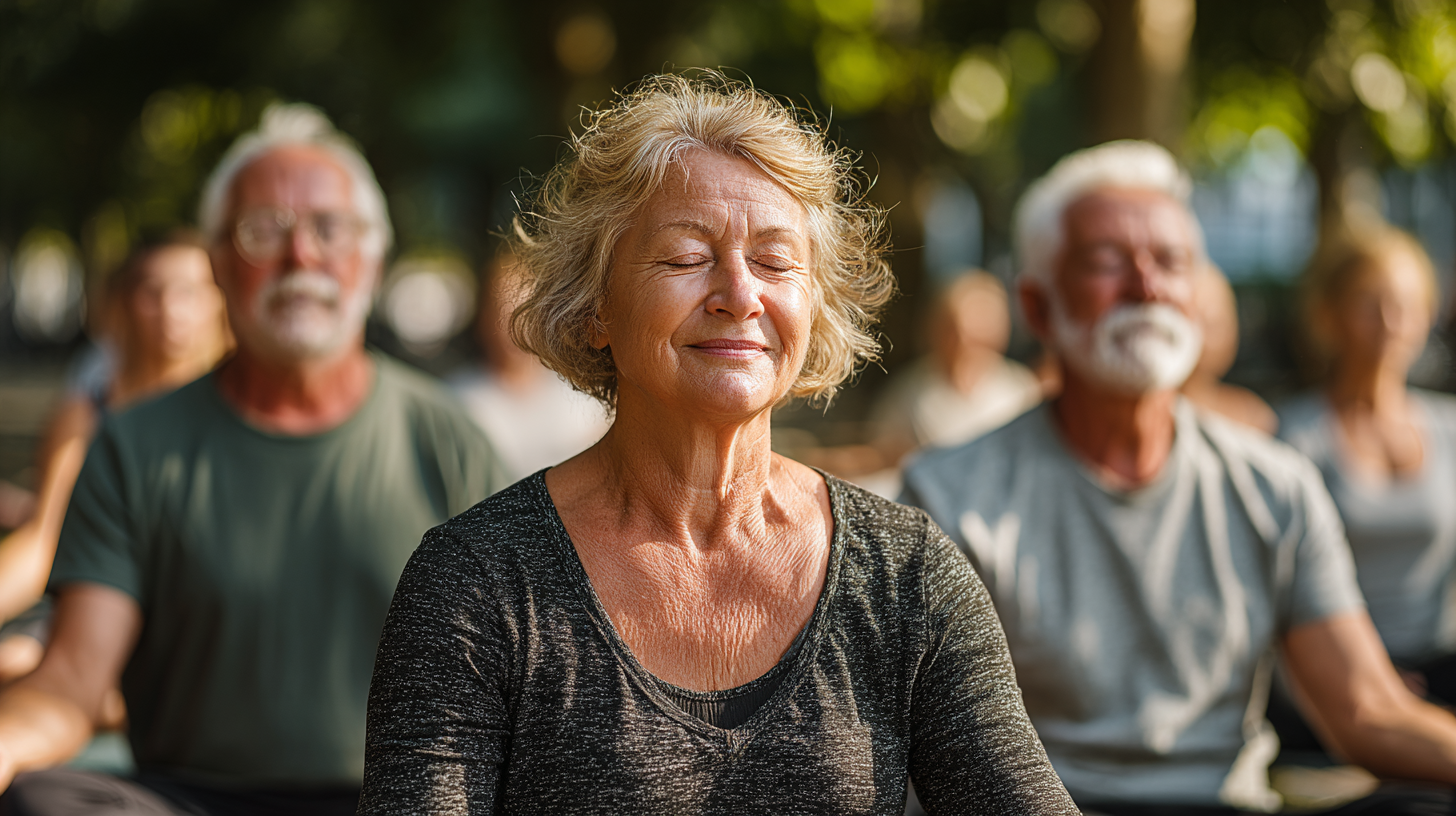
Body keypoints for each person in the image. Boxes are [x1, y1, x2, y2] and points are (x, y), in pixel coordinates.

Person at [358, 74, 1077, 816]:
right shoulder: (476, 581)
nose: (740, 295)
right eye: (684, 257)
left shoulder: (905, 574)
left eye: (775, 262)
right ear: (596, 304)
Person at [900, 140, 1456, 815]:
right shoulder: (948, 498)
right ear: (1039, 307)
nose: (1147, 287)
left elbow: (1369, 710)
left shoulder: (1275, 485)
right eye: (1107, 262)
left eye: (1171, 261)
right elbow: (946, 760)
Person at [0, 103, 505, 815]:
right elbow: (71, 682)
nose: (300, 257)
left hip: (396, 799)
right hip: (190, 800)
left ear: (372, 257)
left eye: (329, 228)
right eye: (263, 230)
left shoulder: (449, 442)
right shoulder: (134, 447)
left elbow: (514, 685)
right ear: (216, 263)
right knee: (43, 799)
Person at [0, 232, 230, 685]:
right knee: (17, 661)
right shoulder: (86, 412)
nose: (170, 308)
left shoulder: (244, 413)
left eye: (189, 291)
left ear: (219, 301)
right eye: (152, 291)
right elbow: (46, 538)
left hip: (202, 631)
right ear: (124, 301)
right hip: (98, 614)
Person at [1279, 225, 1456, 705]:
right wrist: (1372, 679)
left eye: (1406, 305)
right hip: (1336, 680)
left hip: (1443, 668)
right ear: (1329, 315)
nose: (1390, 322)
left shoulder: (1449, 428)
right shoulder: (1296, 438)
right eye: (1369, 303)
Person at [449, 248, 608, 482]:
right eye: (501, 313)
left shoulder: (585, 400)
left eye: (521, 313)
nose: (511, 327)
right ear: (482, 316)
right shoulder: (458, 401)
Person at [869, 270, 1043, 466]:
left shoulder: (1020, 390)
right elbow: (884, 457)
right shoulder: (907, 394)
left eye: (977, 331)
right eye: (953, 330)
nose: (964, 343)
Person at [1180, 264, 1277, 434]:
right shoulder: (1154, 418)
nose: (1206, 339)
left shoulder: (1250, 415)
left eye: (1215, 323)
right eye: (1193, 322)